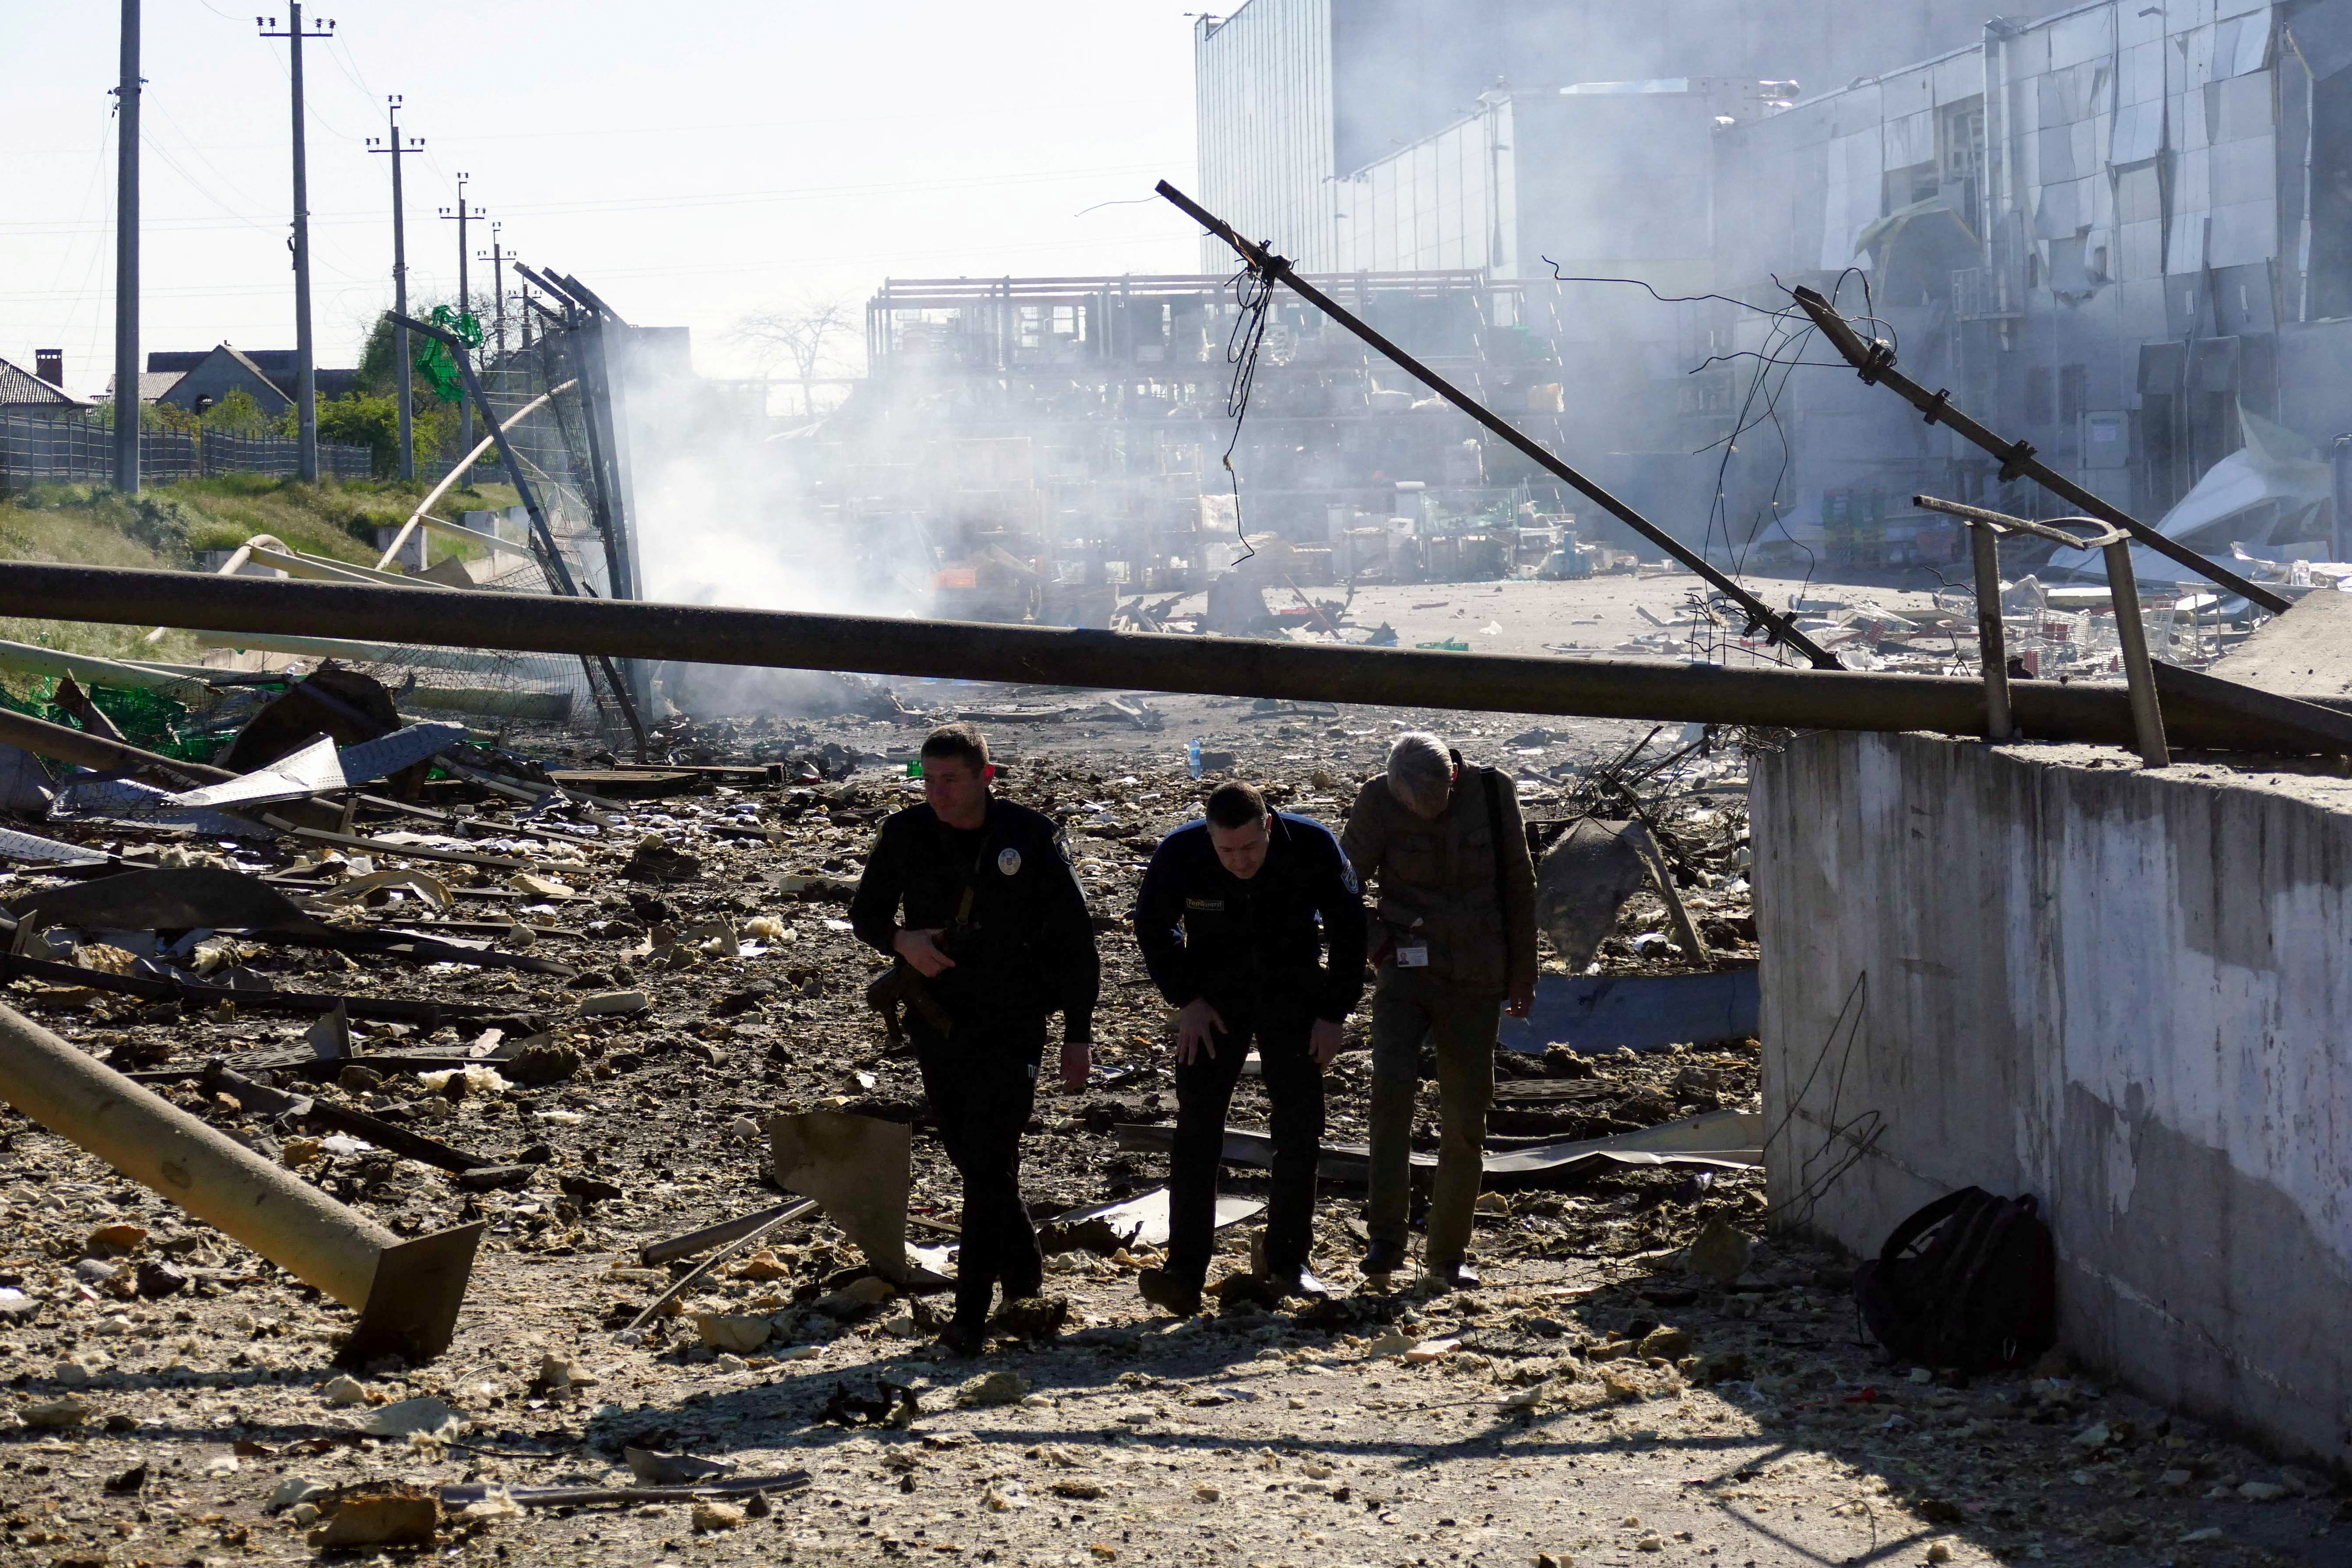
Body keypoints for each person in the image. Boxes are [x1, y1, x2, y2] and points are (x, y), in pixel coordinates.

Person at [848, 723, 1099, 1355]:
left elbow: (1076, 939)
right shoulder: (905, 832)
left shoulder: (1029, 835)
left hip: (1014, 1019)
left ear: (986, 776)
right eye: (927, 779)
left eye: (950, 780)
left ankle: (970, 1314)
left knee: (987, 1161)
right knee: (977, 1160)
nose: (936, 792)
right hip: (939, 1021)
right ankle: (1025, 1281)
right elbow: (867, 913)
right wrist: (903, 940)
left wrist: (1078, 1033)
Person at [1131, 780, 1367, 1315]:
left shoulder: (1312, 844)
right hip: (1214, 1004)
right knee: (1196, 1131)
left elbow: (1350, 930)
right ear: (1210, 836)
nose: (1240, 861)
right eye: (1227, 850)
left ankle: (1289, 1262)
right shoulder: (1181, 850)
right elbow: (1153, 925)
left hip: (1294, 1000)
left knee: (1299, 1130)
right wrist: (1185, 998)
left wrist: (1334, 1014)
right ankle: (1185, 1269)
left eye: (1250, 848)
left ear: (1267, 825)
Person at [1341, 732, 1537, 1290]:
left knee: (1465, 1120)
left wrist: (1524, 974)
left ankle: (1448, 1254)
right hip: (1404, 972)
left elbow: (1520, 887)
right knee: (1391, 1098)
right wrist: (1377, 945)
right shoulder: (1376, 800)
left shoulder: (1493, 795)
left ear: (1451, 779)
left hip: (1475, 978)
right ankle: (1386, 1238)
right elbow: (1341, 887)